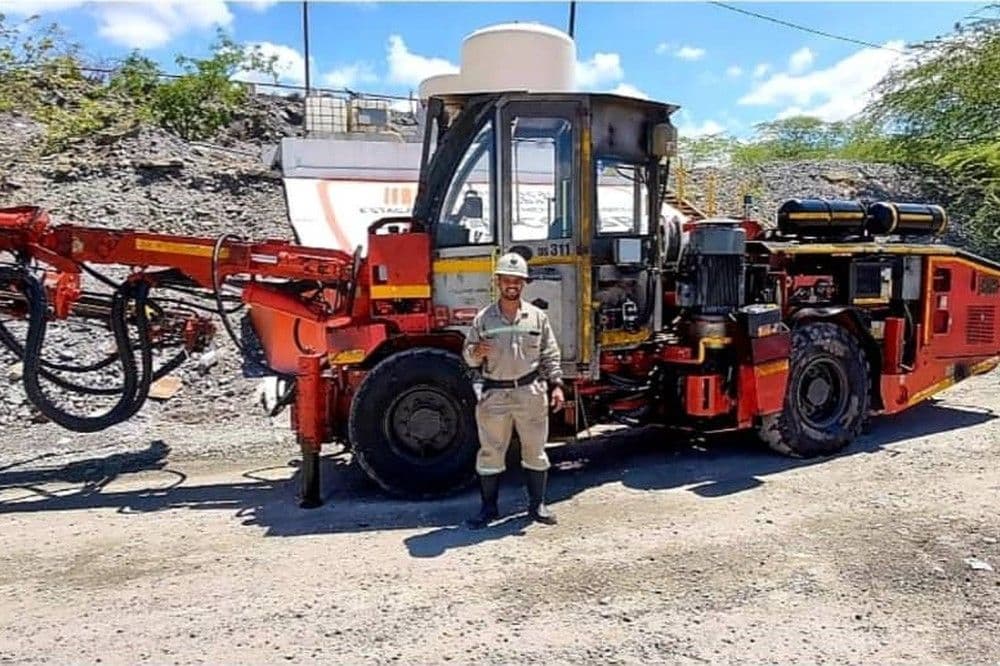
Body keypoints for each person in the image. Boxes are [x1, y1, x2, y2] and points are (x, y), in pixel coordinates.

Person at [462, 251, 566, 529]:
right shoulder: (483, 319)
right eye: (507, 279)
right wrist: (476, 351)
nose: (512, 284)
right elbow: (469, 356)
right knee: (490, 453)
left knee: (535, 451)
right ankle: (488, 509)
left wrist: (556, 385)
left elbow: (549, 354)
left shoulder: (537, 318)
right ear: (498, 281)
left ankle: (537, 506)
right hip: (494, 395)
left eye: (517, 280)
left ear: (524, 283)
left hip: (530, 392)